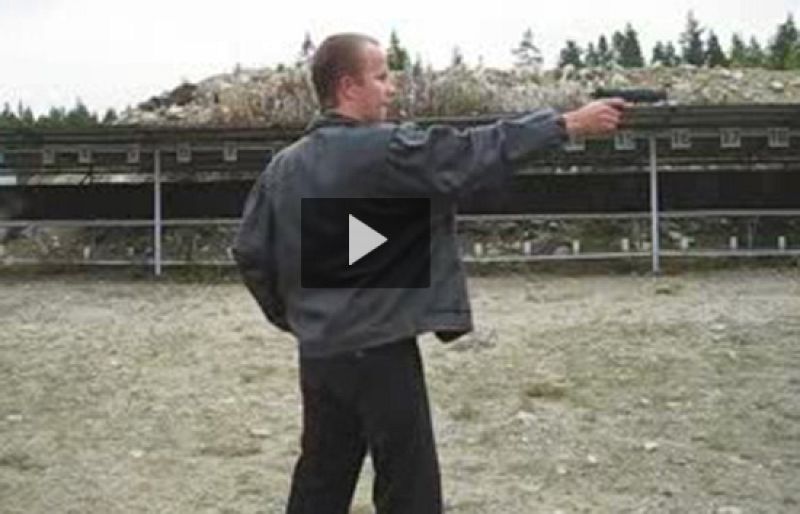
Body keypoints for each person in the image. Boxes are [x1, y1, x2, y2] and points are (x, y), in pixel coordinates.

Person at [233, 32, 625, 514]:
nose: (391, 87)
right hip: (382, 352)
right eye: (381, 76)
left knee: (320, 481)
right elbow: (471, 154)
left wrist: (298, 318)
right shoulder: (383, 149)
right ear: (348, 86)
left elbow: (251, 253)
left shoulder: (281, 169)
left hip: (320, 356)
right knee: (409, 486)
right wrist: (566, 124)